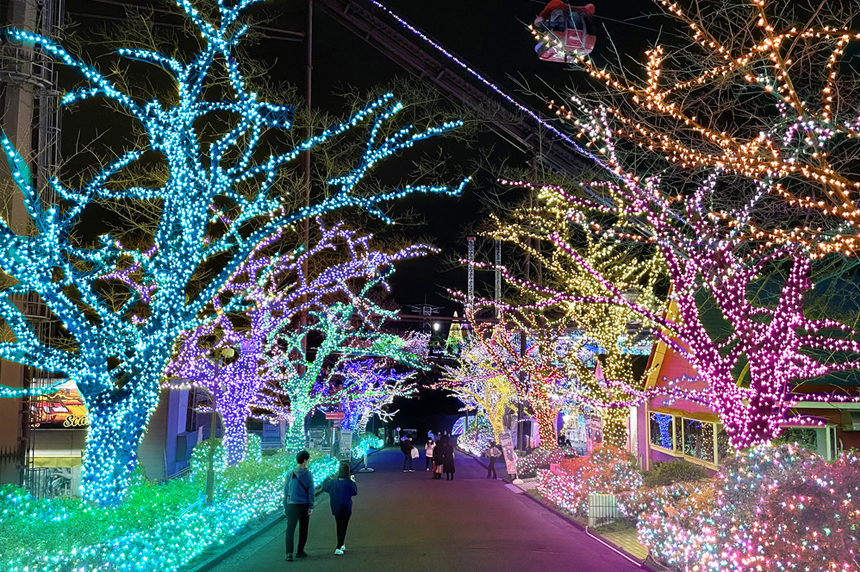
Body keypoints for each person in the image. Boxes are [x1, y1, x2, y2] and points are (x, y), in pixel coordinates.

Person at [321, 462, 358, 555]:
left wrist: (327, 479)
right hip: (346, 507)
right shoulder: (349, 482)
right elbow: (354, 492)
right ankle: (339, 546)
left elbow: (324, 488)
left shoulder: (333, 482)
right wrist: (353, 482)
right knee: (344, 526)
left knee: (339, 525)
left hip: (335, 507)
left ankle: (341, 544)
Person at [283, 450, 314, 562]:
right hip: (304, 505)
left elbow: (286, 491)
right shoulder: (308, 474)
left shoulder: (290, 474)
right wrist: (311, 506)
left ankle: (289, 553)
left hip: (291, 505)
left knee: (290, 529)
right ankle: (300, 551)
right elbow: (311, 491)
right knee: (303, 528)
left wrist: (285, 505)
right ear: (305, 460)